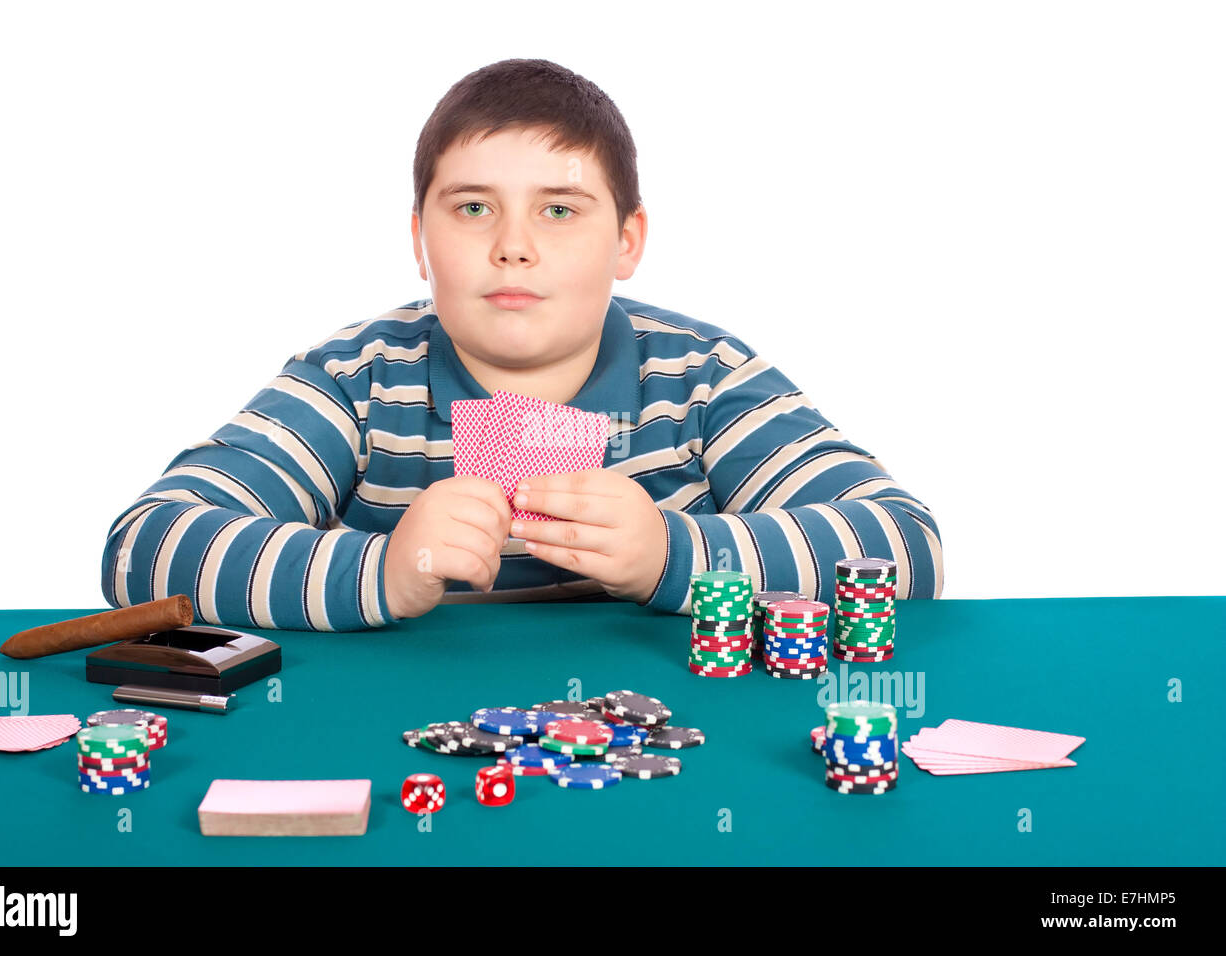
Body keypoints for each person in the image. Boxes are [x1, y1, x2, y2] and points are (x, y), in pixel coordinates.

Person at [100, 58, 943, 632]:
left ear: (627, 241)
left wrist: (671, 556)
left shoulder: (703, 380)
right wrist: (383, 571)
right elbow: (145, 547)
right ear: (420, 239)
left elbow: (905, 546)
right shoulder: (357, 380)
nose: (513, 246)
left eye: (559, 209)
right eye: (473, 208)